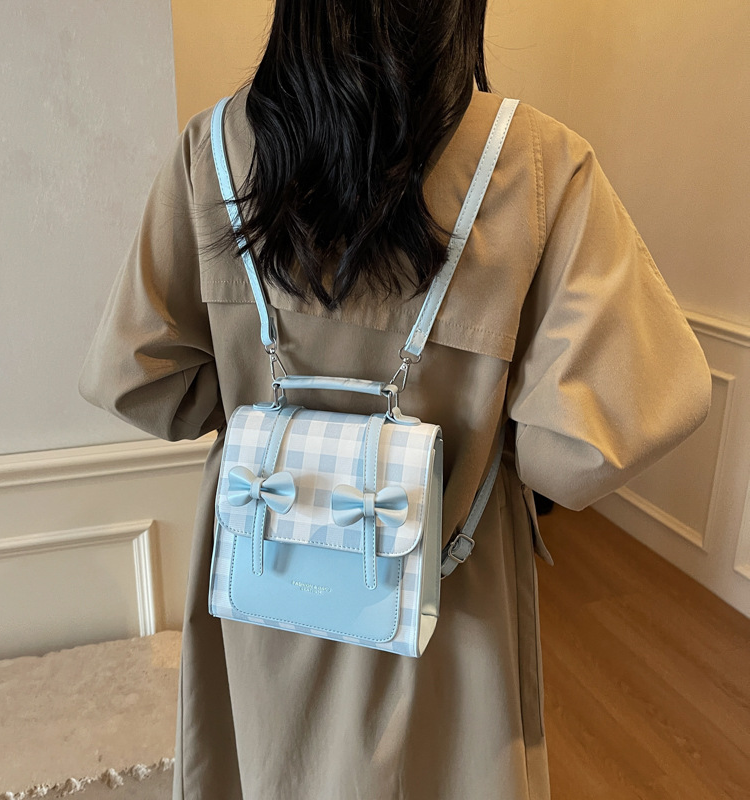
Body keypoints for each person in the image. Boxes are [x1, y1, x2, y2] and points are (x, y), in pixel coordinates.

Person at [78, 1, 712, 798]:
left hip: (265, 569)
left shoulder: (212, 150)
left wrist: (266, 418)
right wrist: (486, 423)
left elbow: (135, 374)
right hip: (447, 589)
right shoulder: (539, 162)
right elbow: (586, 445)